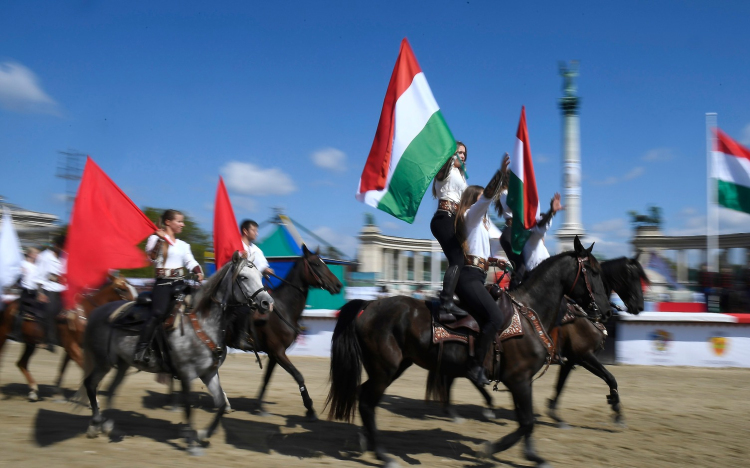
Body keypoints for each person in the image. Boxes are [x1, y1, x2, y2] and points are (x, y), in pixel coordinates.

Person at [454, 155, 513, 387]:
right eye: (481, 200)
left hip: (476, 274)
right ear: (473, 201)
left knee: (492, 317)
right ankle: (475, 367)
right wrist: (500, 175)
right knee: (496, 317)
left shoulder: (480, 224)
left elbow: (483, 251)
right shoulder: (471, 215)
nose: (485, 204)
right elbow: (487, 197)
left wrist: (497, 263)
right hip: (469, 278)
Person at [134, 209, 203, 365]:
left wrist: (198, 271)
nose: (182, 224)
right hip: (163, 283)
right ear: (168, 222)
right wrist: (160, 240)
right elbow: (151, 258)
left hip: (180, 282)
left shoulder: (183, 245)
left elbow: (190, 261)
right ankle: (141, 349)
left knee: (199, 303)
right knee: (158, 313)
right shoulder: (154, 239)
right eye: (179, 221)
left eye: (182, 221)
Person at [430, 142, 469, 320]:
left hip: (453, 220)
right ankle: (445, 304)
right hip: (444, 217)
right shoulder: (445, 171)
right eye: (459, 153)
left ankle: (456, 299)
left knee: (462, 260)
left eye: (464, 154)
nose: (462, 156)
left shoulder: (461, 176)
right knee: (457, 259)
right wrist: (448, 156)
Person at [34, 236, 66, 351]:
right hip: (50, 289)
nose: (64, 250)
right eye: (62, 247)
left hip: (64, 289)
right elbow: (39, 276)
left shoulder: (66, 257)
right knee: (50, 311)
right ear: (56, 246)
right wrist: (40, 292)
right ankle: (49, 340)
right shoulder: (45, 257)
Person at [522, 193, 564, 273]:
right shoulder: (532, 238)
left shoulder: (535, 241)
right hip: (536, 277)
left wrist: (551, 213)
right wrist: (551, 212)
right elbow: (541, 226)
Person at [9, 247, 40, 341]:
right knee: (21, 311)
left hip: (35, 291)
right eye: (35, 254)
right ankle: (16, 332)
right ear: (30, 254)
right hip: (26, 291)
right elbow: (17, 276)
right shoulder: (23, 264)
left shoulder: (36, 266)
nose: (37, 256)